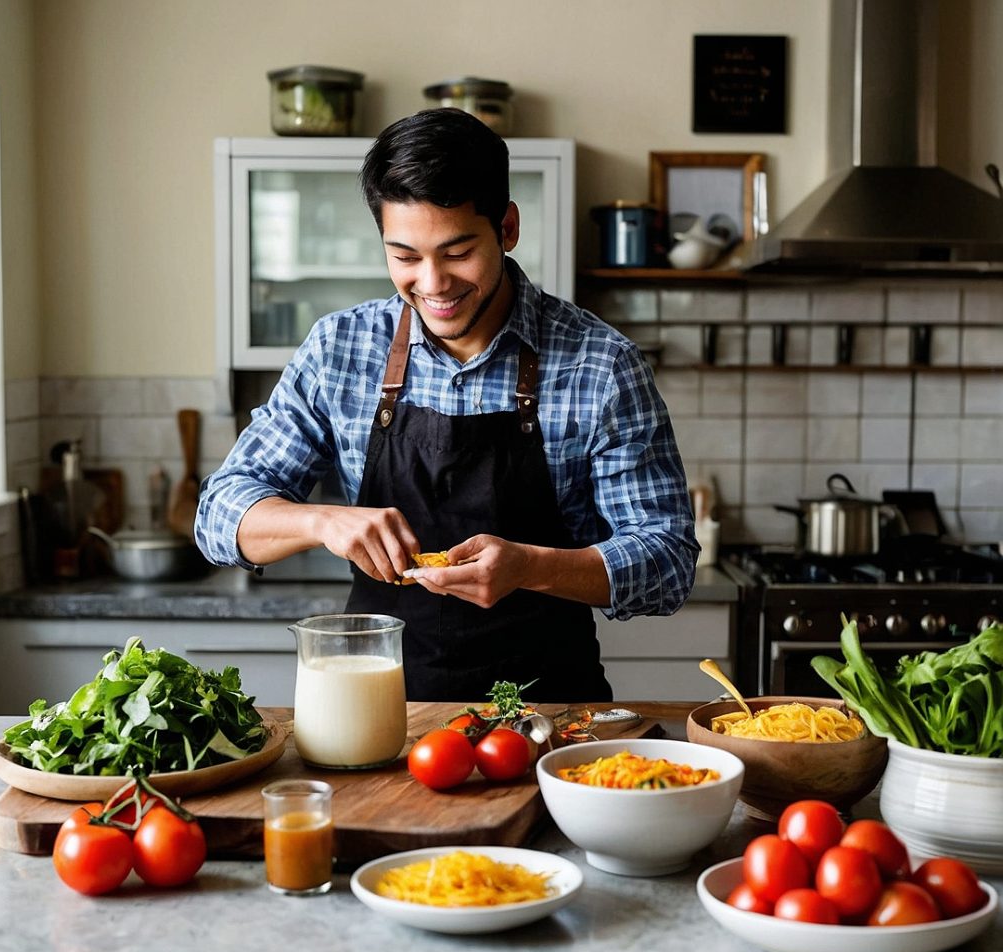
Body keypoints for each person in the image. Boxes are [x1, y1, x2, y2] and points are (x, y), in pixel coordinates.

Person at [196, 107, 698, 704]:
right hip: (379, 715)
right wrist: (322, 521)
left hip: (548, 719)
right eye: (405, 257)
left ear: (507, 228)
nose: (433, 284)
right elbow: (219, 515)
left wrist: (530, 567)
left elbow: (667, 561)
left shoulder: (602, 365)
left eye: (458, 252)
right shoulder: (341, 349)